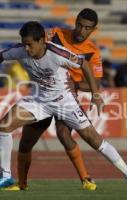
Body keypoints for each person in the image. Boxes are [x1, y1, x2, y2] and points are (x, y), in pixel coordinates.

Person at [0, 21, 127, 191]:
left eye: (30, 45)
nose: (26, 49)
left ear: (42, 41)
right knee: (4, 125)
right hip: (39, 100)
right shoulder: (19, 50)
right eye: (24, 44)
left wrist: (96, 95)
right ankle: (6, 176)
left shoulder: (57, 53)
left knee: (93, 139)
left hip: (64, 101)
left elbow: (84, 65)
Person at [16, 8, 103, 191]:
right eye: (79, 25)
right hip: (41, 97)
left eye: (87, 27)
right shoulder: (56, 33)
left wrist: (77, 86)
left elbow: (96, 83)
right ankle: (21, 184)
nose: (81, 30)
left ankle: (86, 178)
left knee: (63, 135)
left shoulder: (93, 52)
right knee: (26, 142)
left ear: (94, 29)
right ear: (75, 21)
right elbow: (36, 43)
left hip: (66, 98)